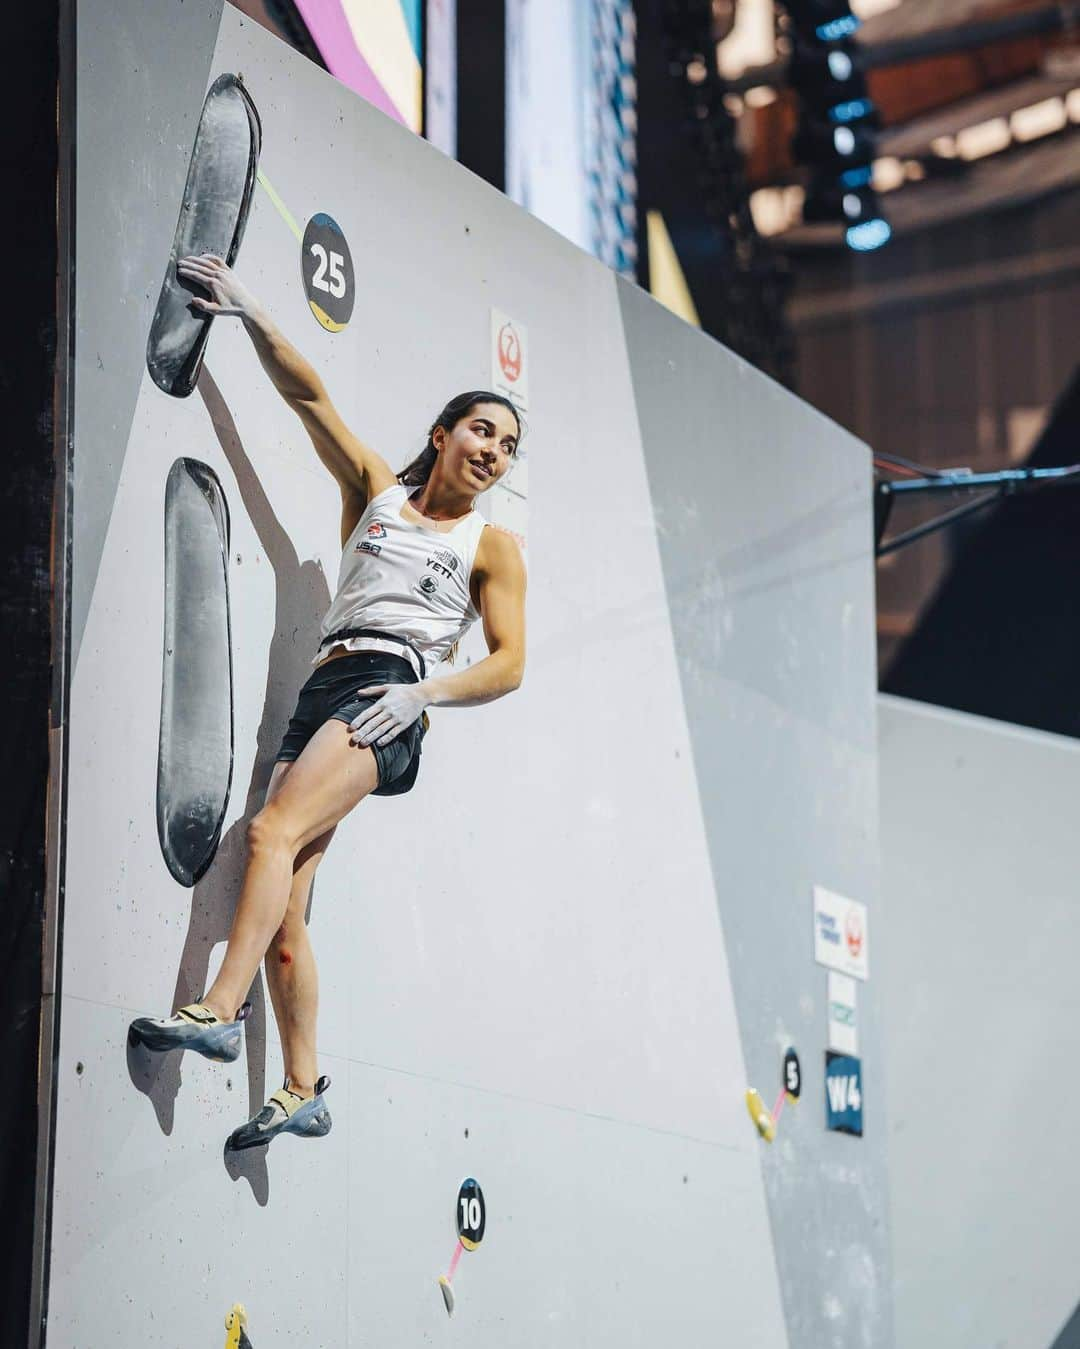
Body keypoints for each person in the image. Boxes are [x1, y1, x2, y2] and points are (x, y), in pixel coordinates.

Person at [129, 254, 526, 1151]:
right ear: (445, 431)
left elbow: (509, 666)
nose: (494, 450)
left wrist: (422, 692)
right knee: (286, 918)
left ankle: (217, 1012)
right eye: (483, 430)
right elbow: (310, 400)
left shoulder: (491, 546)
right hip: (325, 687)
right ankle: (305, 1085)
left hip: (391, 693)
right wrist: (252, 312)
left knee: (267, 834)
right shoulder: (378, 492)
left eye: (506, 446)